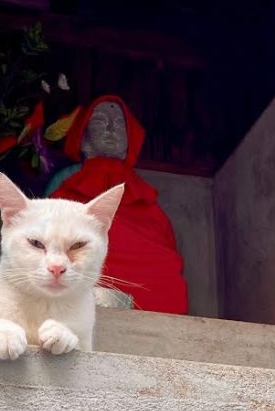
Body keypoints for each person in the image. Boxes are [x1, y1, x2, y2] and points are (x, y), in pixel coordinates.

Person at [48, 95, 189, 314]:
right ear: (84, 140)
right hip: (91, 257)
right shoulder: (68, 181)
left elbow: (165, 240)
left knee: (167, 265)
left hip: (142, 270)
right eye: (100, 121)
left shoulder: (143, 194)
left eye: (119, 125)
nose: (110, 129)